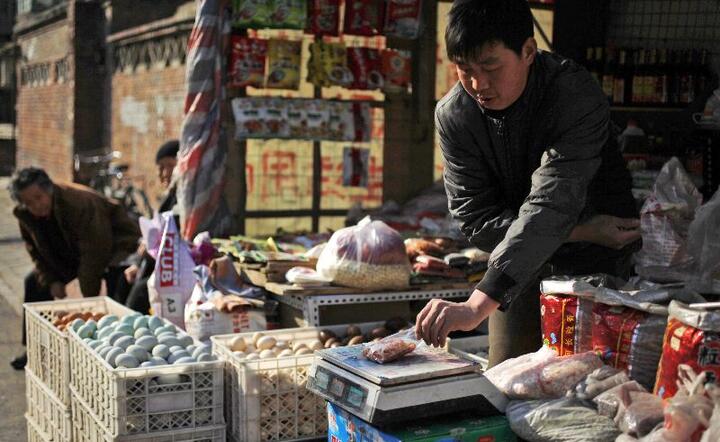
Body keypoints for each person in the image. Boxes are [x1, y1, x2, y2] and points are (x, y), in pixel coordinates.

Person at [415, 0, 641, 366]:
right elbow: (477, 223)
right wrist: (583, 230)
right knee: (508, 379)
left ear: (528, 51)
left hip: (599, 267)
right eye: (464, 69)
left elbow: (554, 198)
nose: (478, 84)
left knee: (592, 384)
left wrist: (477, 303)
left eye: (490, 66)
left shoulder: (573, 94)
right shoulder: (455, 116)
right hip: (514, 271)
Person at [9, 167, 141, 369]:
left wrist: (89, 300)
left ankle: (113, 347)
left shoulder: (78, 203)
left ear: (49, 190)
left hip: (113, 245)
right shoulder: (25, 214)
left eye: (39, 197)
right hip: (67, 251)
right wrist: (52, 280)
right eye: (28, 202)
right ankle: (33, 348)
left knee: (114, 284)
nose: (36, 205)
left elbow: (95, 253)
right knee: (33, 282)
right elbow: (34, 251)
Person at [122, 140, 179, 313]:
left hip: (172, 270)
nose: (164, 173)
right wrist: (138, 264)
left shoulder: (183, 199)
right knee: (122, 279)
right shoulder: (168, 198)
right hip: (155, 264)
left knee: (140, 292)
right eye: (160, 167)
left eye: (169, 166)